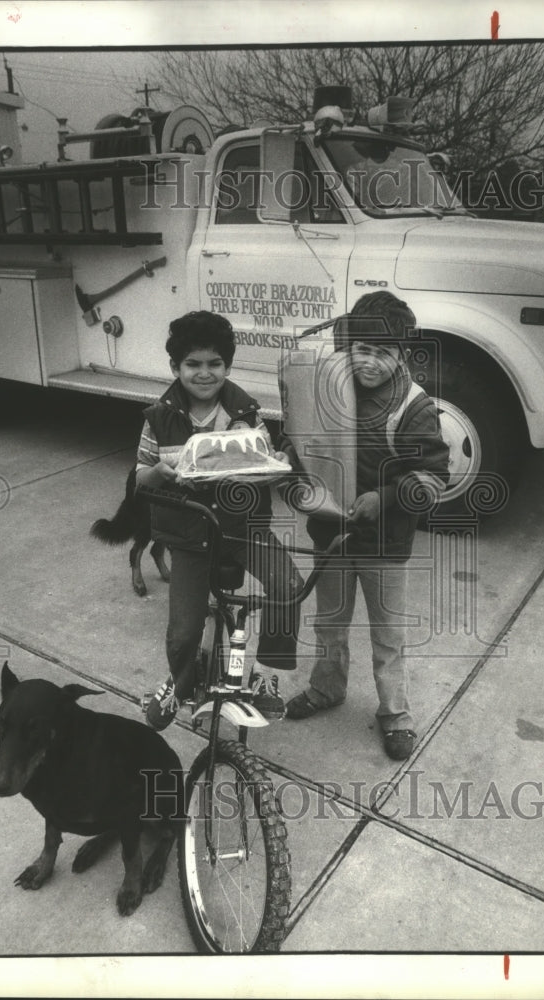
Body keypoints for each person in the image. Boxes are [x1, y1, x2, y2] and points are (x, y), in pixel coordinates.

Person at [282, 292, 450, 760]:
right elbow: (299, 442)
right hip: (330, 535)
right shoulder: (322, 383)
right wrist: (295, 476)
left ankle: (395, 713)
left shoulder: (413, 406)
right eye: (362, 349)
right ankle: (327, 689)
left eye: (384, 352)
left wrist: (386, 498)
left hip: (384, 542)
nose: (370, 361)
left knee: (387, 636)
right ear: (347, 344)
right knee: (330, 625)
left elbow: (434, 477)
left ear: (402, 355)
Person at [136, 310, 301, 730]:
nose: (204, 374)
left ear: (227, 366)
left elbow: (267, 459)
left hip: (244, 527)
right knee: (183, 634)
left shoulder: (246, 410)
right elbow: (140, 475)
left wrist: (279, 460)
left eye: (215, 364)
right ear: (175, 367)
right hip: (189, 534)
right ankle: (180, 683)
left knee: (288, 586)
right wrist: (160, 474)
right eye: (193, 364)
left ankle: (265, 674)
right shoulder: (159, 416)